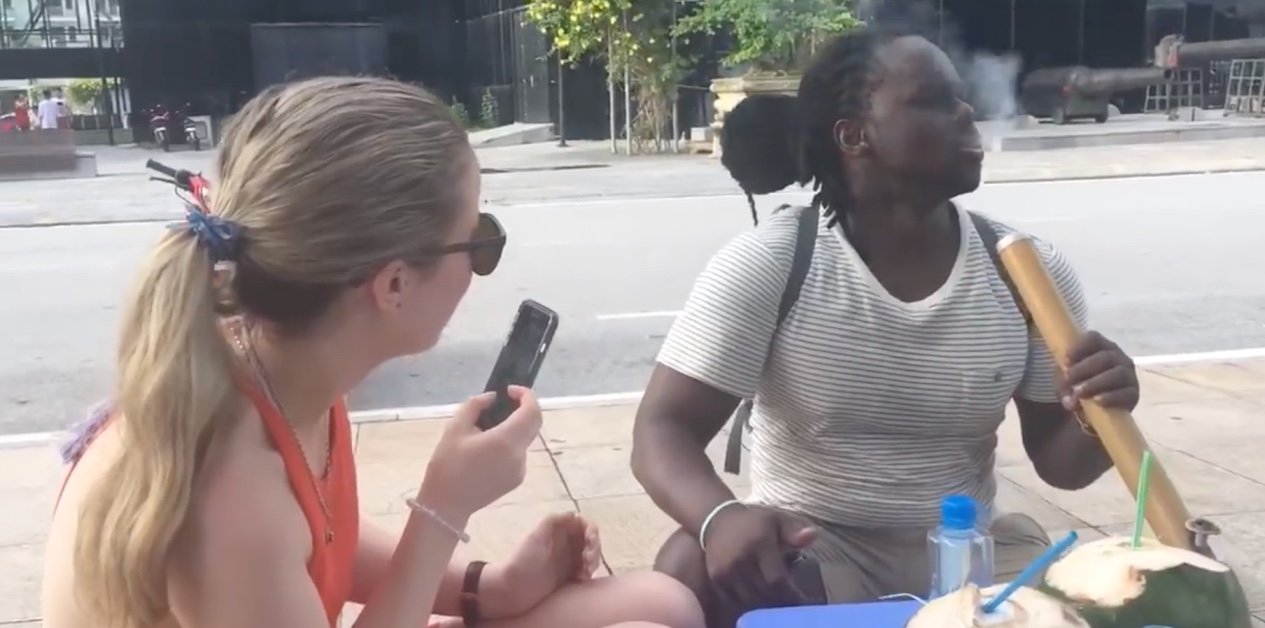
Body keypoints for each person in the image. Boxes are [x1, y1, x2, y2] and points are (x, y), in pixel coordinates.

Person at [40, 77, 704, 628]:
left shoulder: (273, 363)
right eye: (476, 240)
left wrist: (488, 587)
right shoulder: (227, 492)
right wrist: (444, 508)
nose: (482, 260)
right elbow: (273, 537)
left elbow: (320, 537)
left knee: (660, 603)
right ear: (392, 284)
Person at [629, 26, 1141, 628]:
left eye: (961, 96)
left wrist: (1099, 412)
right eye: (935, 99)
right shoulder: (775, 262)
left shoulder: (1025, 273)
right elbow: (662, 430)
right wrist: (721, 518)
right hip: (815, 553)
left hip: (968, 557)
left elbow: (1062, 467)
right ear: (855, 136)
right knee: (687, 565)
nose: (967, 111)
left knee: (1132, 602)